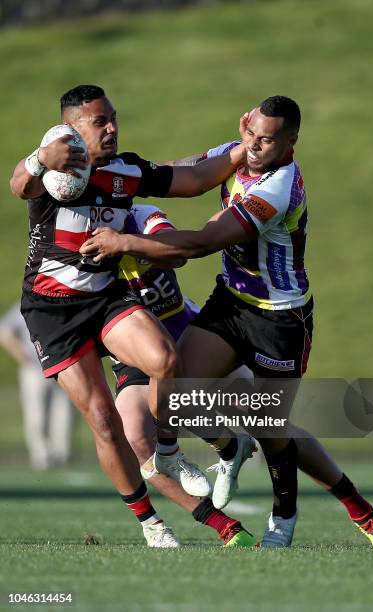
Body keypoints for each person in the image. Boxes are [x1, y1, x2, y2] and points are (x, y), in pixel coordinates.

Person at [80, 95, 373, 548]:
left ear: (291, 141)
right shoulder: (234, 151)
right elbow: (181, 171)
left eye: (266, 140)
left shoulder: (278, 188)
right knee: (170, 394)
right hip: (230, 302)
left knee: (273, 428)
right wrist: (113, 177)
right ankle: (225, 449)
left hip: (279, 316)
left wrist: (123, 241)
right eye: (250, 133)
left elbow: (199, 244)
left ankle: (312, 518)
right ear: (243, 123)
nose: (253, 146)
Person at [9, 84, 254, 547]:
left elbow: (196, 180)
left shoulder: (127, 170)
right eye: (99, 121)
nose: (112, 128)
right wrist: (40, 158)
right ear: (72, 128)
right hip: (51, 311)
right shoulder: (54, 170)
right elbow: (19, 184)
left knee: (164, 360)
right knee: (103, 419)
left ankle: (167, 451)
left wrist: (247, 148)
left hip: (105, 297)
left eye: (113, 118)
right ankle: (150, 522)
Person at [109, 201, 256, 547]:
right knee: (135, 432)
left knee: (263, 413)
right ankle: (219, 522)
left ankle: (296, 507)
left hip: (184, 331)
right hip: (130, 348)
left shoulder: (141, 214)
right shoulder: (73, 235)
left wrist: (123, 242)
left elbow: (175, 251)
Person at [0, 302, 74, 469]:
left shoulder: (59, 303)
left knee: (65, 411)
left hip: (62, 365)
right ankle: (42, 455)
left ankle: (62, 453)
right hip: (34, 368)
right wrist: (20, 353)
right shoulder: (23, 306)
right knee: (36, 412)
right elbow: (4, 330)